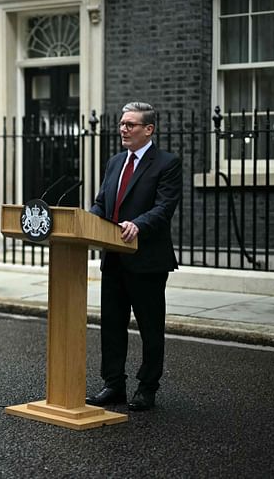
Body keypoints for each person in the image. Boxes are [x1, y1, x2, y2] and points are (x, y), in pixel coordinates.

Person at [86, 102, 182, 412]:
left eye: (131, 124)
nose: (123, 129)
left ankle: (147, 388)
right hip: (114, 257)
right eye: (122, 124)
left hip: (147, 260)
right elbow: (102, 203)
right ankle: (113, 384)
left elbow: (164, 208)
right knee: (112, 325)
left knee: (150, 328)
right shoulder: (115, 162)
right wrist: (87, 220)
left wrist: (137, 225)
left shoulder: (167, 163)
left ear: (148, 129)